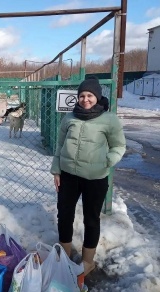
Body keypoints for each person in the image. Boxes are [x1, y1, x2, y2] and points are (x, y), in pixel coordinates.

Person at [50, 76, 126, 276]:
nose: (85, 99)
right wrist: (56, 170)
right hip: (68, 176)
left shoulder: (109, 119)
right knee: (64, 215)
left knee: (91, 219)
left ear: (97, 97)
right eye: (82, 95)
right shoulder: (69, 118)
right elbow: (59, 145)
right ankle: (64, 257)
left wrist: (107, 161)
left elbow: (119, 146)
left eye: (90, 95)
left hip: (95, 178)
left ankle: (87, 261)